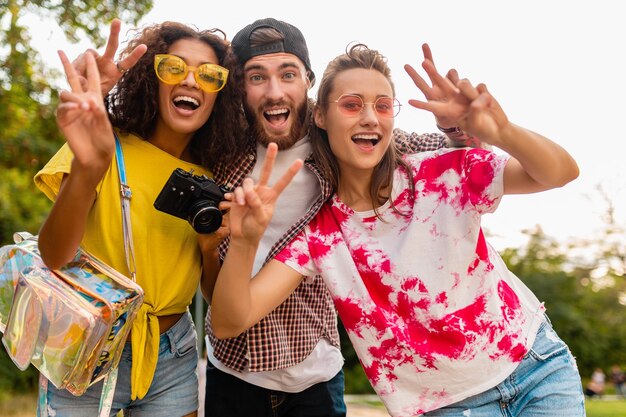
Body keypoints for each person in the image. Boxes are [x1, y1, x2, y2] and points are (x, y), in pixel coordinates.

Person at [210, 43, 585, 417]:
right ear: (320, 116)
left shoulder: (441, 172)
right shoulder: (322, 236)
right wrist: (244, 241)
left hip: (538, 366)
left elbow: (560, 173)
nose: (371, 117)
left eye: (383, 106)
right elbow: (230, 321)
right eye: (352, 105)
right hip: (445, 406)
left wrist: (502, 131)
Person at [201, 18, 480, 417]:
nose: (275, 90)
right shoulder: (219, 147)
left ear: (308, 80)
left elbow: (446, 153)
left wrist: (456, 125)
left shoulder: (338, 133)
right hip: (231, 369)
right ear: (239, 87)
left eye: (288, 74)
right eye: (256, 77)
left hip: (314, 373)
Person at [34, 20, 243, 416]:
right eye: (174, 68)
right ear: (152, 78)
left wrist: (211, 249)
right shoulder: (99, 144)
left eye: (209, 75)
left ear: (221, 93)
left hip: (173, 355)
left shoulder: (212, 180)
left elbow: (214, 296)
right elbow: (54, 255)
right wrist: (87, 167)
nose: (191, 82)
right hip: (86, 346)